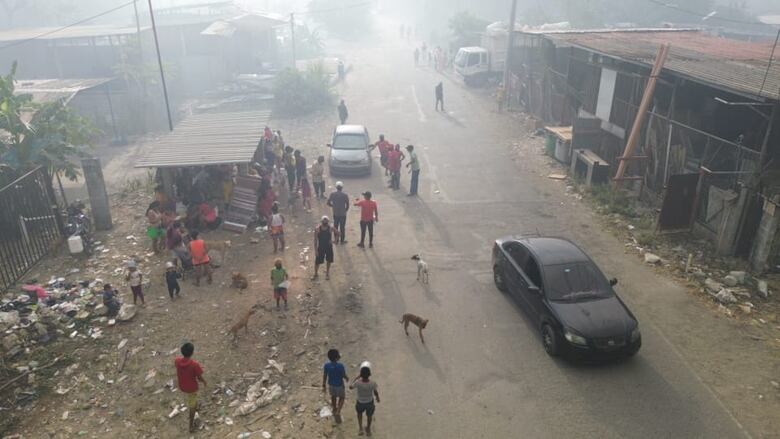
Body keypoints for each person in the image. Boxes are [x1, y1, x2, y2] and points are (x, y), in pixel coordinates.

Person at [175, 342, 207, 433]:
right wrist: (204, 382)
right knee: (192, 405)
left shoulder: (177, 360)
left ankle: (196, 407)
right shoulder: (194, 364)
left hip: (182, 385)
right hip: (191, 388)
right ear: (192, 352)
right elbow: (199, 377)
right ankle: (190, 426)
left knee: (193, 401)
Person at [350, 365, 380, 436]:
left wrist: (356, 378)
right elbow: (375, 392)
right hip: (369, 402)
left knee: (359, 414)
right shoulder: (372, 383)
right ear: (369, 374)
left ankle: (360, 428)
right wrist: (377, 397)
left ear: (361, 375)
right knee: (369, 416)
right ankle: (368, 429)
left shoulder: (358, 382)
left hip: (360, 402)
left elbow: (350, 387)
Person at [322, 348, 348, 424]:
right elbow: (343, 375)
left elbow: (325, 375)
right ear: (337, 358)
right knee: (342, 397)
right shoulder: (340, 366)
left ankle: (334, 408)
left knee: (333, 396)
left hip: (331, 385)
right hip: (339, 385)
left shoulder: (327, 365)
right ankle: (338, 411)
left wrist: (324, 384)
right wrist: (347, 378)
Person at [313, 216, 338, 280]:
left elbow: (337, 233)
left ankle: (327, 273)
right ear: (321, 222)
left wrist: (334, 241)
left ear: (328, 222)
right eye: (324, 221)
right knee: (317, 262)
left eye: (326, 221)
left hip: (328, 247)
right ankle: (316, 274)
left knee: (329, 260)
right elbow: (315, 241)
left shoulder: (330, 228)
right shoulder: (317, 229)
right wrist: (316, 250)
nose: (325, 222)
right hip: (321, 248)